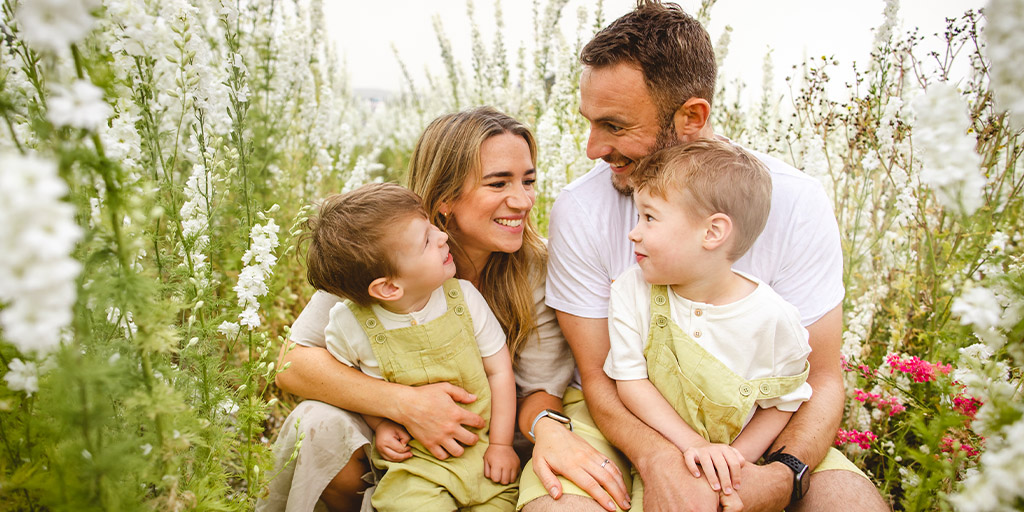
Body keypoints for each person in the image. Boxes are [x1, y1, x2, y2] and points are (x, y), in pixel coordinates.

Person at [520, 1, 891, 511]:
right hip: (624, 422)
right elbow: (602, 378)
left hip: (759, 426)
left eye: (615, 125)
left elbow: (821, 379)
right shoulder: (580, 211)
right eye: (589, 122)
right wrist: (658, 461)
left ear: (692, 116)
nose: (592, 148)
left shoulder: (795, 202)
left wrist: (781, 477)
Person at [257, 107, 584, 512]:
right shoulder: (380, 248)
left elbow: (541, 390)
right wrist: (404, 406)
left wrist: (518, 441)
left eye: (528, 181)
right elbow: (294, 363)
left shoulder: (538, 267)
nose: (523, 201)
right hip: (398, 447)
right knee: (316, 424)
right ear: (445, 199)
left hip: (492, 452)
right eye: (499, 183)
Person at [605, 140, 812, 508]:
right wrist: (695, 447)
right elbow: (631, 382)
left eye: (649, 217)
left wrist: (734, 462)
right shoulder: (631, 292)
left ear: (713, 233)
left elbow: (783, 402)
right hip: (655, 455)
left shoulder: (773, 319)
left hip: (736, 464)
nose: (634, 233)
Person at [301, 182, 519, 510]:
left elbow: (500, 371)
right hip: (415, 467)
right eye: (427, 240)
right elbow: (349, 381)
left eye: (432, 225)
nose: (442, 235)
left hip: (485, 457)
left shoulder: (463, 300)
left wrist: (502, 444)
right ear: (388, 287)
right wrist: (382, 424)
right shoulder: (349, 324)